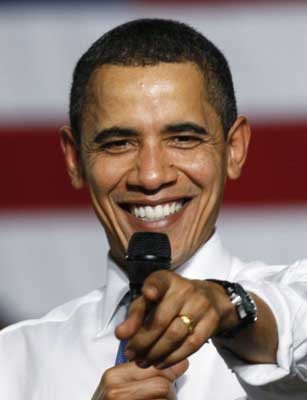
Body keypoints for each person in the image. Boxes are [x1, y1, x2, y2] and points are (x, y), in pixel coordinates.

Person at [1, 19, 306, 400]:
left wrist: (227, 306)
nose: (150, 175)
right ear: (75, 158)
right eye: (118, 143)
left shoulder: (293, 305)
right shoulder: (11, 365)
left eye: (182, 138)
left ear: (234, 149)